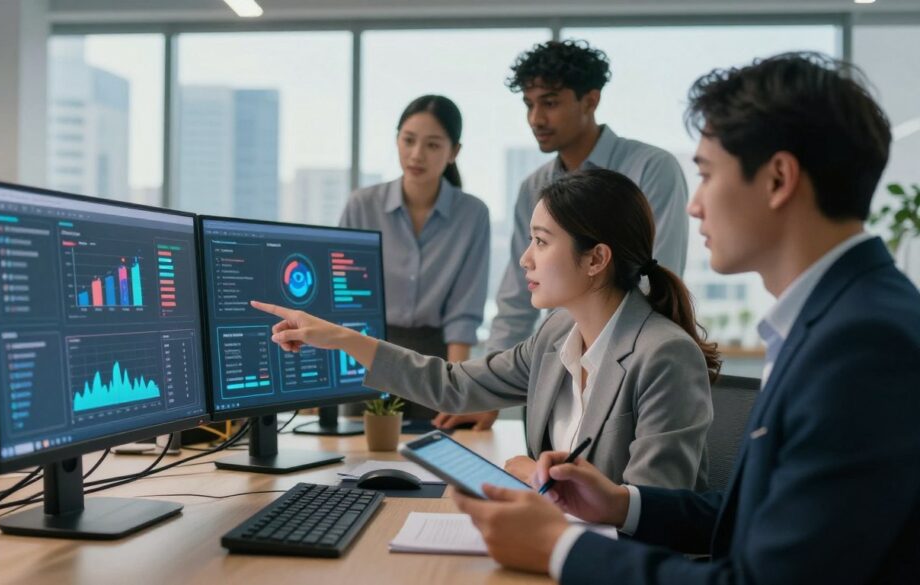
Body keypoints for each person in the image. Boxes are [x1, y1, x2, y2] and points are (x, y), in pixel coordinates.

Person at [451, 52, 920, 584]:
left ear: (778, 179)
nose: (694, 206)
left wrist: (560, 549)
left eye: (707, 174)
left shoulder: (864, 343)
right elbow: (757, 522)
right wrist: (621, 504)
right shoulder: (837, 319)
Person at [254, 168, 720, 490]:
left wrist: (533, 477)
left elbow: (657, 512)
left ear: (596, 258)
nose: (525, 258)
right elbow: (453, 386)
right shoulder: (556, 334)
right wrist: (337, 337)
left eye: (541, 241)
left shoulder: (663, 355)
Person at [446, 39, 691, 430]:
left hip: (629, 374)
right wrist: (486, 393)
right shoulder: (534, 187)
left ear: (590, 101)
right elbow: (515, 299)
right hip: (555, 370)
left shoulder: (650, 168)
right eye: (529, 104)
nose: (535, 117)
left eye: (550, 102)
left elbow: (654, 279)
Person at [338, 95, 491, 427]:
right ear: (397, 139)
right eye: (408, 140)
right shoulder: (362, 205)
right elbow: (344, 302)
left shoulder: (472, 214)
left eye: (433, 145)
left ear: (454, 152)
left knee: (434, 459)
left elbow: (463, 313)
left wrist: (456, 390)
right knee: (356, 465)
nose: (416, 154)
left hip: (435, 359)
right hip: (368, 350)